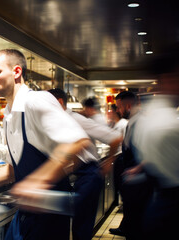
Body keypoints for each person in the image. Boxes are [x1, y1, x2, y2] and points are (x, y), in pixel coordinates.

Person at [0, 49, 91, 240]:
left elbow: (77, 143)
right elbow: (13, 169)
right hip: (27, 213)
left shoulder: (36, 101)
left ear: (16, 72)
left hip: (49, 216)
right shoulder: (9, 114)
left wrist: (38, 181)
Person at [48, 88, 123, 240]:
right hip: (78, 175)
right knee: (73, 223)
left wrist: (108, 162)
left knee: (81, 225)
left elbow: (115, 137)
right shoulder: (58, 119)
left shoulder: (75, 118)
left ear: (59, 102)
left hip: (89, 174)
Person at [131, 45, 179, 240]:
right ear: (167, 79)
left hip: (160, 204)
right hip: (171, 210)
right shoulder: (167, 124)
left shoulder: (150, 119)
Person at [109, 91, 153, 239]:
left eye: (119, 107)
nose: (118, 111)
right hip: (135, 179)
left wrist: (137, 168)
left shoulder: (141, 123)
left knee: (137, 222)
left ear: (127, 106)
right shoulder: (134, 121)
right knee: (133, 217)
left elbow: (152, 151)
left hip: (141, 181)